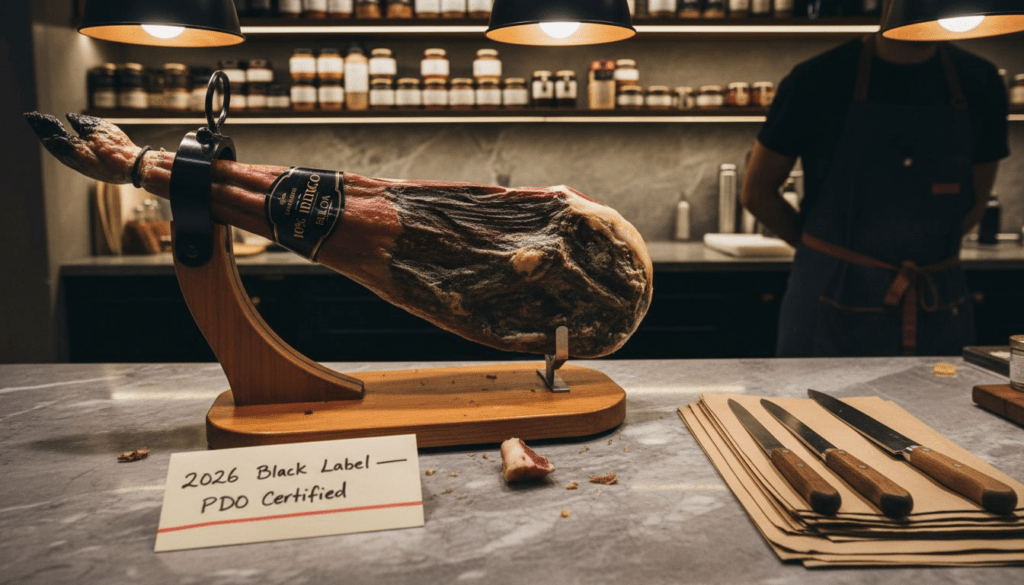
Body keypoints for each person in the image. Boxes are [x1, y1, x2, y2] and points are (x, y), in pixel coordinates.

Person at [740, 8, 1010, 358]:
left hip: (937, 305)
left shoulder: (980, 82)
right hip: (827, 306)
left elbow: (975, 200)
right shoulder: (817, 79)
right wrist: (824, 256)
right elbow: (757, 193)